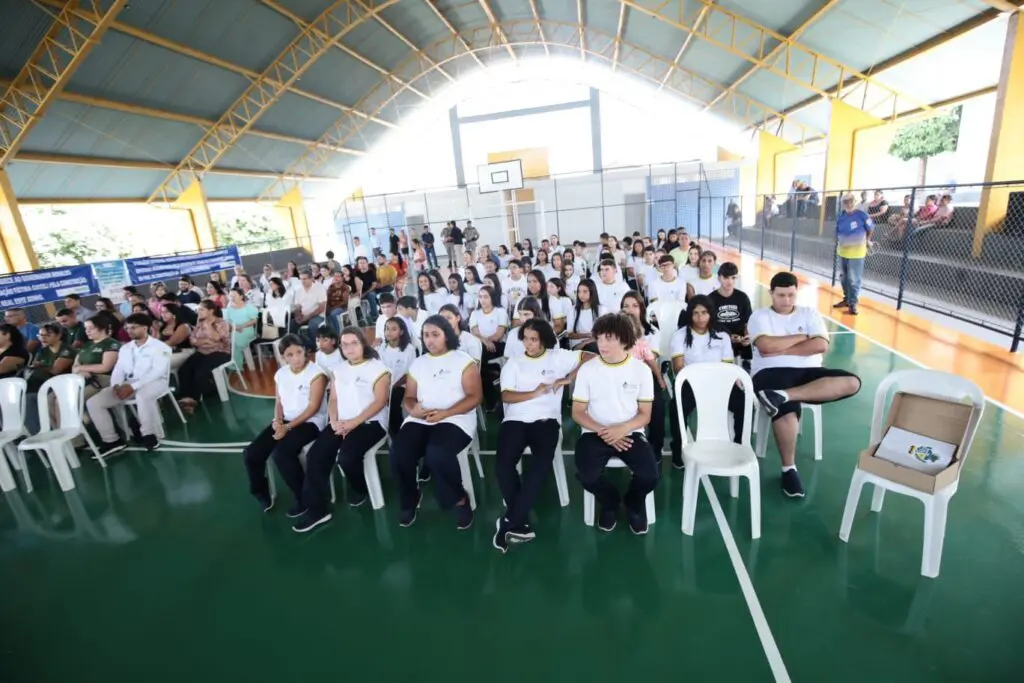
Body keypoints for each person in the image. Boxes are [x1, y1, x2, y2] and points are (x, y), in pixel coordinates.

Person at [750, 272, 862, 498]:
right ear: (771, 293)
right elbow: (765, 346)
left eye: (791, 295)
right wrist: (802, 338)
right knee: (787, 413)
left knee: (852, 382)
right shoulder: (759, 316)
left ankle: (784, 395)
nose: (787, 300)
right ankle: (789, 469)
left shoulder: (809, 313)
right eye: (781, 295)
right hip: (770, 372)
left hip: (810, 372)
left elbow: (820, 345)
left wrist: (781, 348)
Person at [493, 319, 586, 552]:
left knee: (540, 465)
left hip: (545, 421)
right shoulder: (514, 363)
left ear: (544, 339)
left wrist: (569, 378)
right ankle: (518, 521)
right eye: (525, 338)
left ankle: (510, 521)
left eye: (533, 339)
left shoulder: (558, 356)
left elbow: (590, 357)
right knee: (503, 466)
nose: (528, 343)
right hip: (515, 420)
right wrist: (533, 392)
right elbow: (506, 396)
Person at [290, 327, 390, 532]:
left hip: (370, 424)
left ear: (363, 344)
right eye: (345, 344)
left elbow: (380, 402)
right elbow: (333, 399)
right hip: (341, 422)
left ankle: (359, 487)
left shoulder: (379, 369)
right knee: (316, 456)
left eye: (354, 343)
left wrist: (354, 423)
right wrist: (334, 421)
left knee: (346, 457)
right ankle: (318, 510)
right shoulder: (339, 369)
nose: (349, 348)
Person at [389, 315, 482, 528]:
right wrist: (415, 410)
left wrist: (445, 413)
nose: (429, 340)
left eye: (435, 335)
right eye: (425, 335)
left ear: (446, 336)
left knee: (437, 453)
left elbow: (475, 397)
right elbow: (409, 398)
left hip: (456, 418)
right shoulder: (419, 363)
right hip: (421, 419)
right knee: (398, 453)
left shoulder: (463, 360)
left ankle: (460, 498)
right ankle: (410, 498)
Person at [572, 313, 658, 534]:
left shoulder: (642, 371)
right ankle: (610, 502)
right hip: (594, 432)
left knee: (650, 476)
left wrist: (623, 429)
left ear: (624, 339)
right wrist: (606, 431)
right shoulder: (588, 370)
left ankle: (633, 503)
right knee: (587, 475)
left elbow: (645, 415)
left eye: (608, 338)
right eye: (599, 338)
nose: (602, 344)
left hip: (630, 431)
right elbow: (578, 412)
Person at [242, 334, 327, 515]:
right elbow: (279, 402)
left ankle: (303, 497)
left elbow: (313, 407)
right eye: (289, 354)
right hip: (285, 421)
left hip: (310, 422)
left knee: (282, 453)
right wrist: (279, 421)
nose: (296, 358)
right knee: (252, 453)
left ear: (305, 351)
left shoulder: (316, 374)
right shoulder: (281, 374)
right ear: (283, 357)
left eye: (299, 352)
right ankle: (261, 492)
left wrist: (287, 428)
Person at [670, 295, 746, 467]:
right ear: (690, 315)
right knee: (676, 408)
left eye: (704, 313)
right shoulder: (680, 336)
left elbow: (728, 366)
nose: (700, 317)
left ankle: (739, 444)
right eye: (695, 313)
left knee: (743, 403)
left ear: (710, 314)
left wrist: (729, 382)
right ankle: (678, 448)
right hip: (691, 383)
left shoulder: (722, 336)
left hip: (719, 383)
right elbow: (678, 368)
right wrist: (698, 381)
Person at [87, 312, 172, 454]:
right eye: (127, 328)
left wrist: (133, 387)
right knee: (93, 403)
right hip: (128, 383)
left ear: (145, 327)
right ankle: (111, 440)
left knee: (143, 396)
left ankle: (149, 434)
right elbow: (119, 369)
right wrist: (116, 385)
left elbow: (157, 372)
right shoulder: (125, 348)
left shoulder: (161, 347)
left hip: (155, 382)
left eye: (133, 327)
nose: (129, 331)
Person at [176, 300, 232, 413]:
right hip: (202, 351)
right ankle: (185, 397)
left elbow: (217, 338)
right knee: (183, 370)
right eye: (198, 310)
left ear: (211, 311)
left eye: (201, 309)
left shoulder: (222, 323)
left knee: (200, 371)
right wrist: (204, 341)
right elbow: (192, 340)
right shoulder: (199, 323)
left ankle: (193, 399)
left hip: (220, 352)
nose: (198, 312)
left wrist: (208, 325)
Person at [833, 193, 874, 316]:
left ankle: (853, 304)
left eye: (850, 201)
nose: (848, 204)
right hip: (843, 251)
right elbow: (837, 232)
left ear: (854, 202)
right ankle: (846, 299)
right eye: (845, 202)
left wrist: (867, 240)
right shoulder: (841, 217)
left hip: (857, 253)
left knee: (853, 279)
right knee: (844, 278)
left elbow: (871, 228)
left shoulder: (862, 215)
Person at [469, 285, 508, 411]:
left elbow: (499, 334)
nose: (483, 300)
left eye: (486, 296)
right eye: (480, 297)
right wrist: (485, 342)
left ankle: (489, 399)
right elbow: (474, 334)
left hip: (498, 345)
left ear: (492, 298)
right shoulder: (475, 313)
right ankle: (491, 395)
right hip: (482, 345)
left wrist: (487, 341)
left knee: (479, 362)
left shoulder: (500, 311)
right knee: (480, 363)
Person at [708, 261, 753, 366]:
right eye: (726, 277)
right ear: (719, 278)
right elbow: (708, 325)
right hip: (718, 341)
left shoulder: (743, 298)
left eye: (733, 278)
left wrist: (746, 336)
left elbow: (748, 322)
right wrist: (727, 337)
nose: (730, 281)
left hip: (740, 343)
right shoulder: (710, 299)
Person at [71, 312, 121, 403]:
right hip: (81, 378)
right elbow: (75, 366)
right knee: (52, 399)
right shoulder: (86, 345)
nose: (87, 331)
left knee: (73, 399)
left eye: (91, 328)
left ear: (102, 329)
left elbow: (105, 367)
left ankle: (83, 417)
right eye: (86, 328)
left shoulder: (111, 344)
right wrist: (80, 371)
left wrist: (80, 368)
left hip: (104, 379)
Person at [379, 316, 416, 435]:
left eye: (393, 329)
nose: (388, 332)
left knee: (393, 405)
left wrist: (392, 387)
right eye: (387, 328)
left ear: (401, 332)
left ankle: (398, 434)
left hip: (401, 385)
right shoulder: (382, 348)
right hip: (384, 385)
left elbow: (408, 374)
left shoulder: (408, 349)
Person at [26, 323, 76, 393]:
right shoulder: (43, 351)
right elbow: (35, 365)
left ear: (58, 336)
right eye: (40, 335)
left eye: (47, 335)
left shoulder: (67, 350)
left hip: (65, 382)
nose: (43, 338)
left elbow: (55, 370)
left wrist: (39, 366)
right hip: (46, 382)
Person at [291, 268, 328, 349]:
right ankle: (301, 347)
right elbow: (297, 306)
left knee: (313, 326)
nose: (302, 281)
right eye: (301, 279)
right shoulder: (299, 290)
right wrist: (297, 316)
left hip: (317, 315)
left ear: (311, 278)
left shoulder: (319, 288)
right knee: (292, 326)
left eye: (305, 279)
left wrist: (307, 317)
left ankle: (314, 347)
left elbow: (321, 308)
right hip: (303, 316)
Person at [223, 288, 259, 367]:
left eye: (234, 295)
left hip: (246, 329)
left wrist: (241, 326)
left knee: (235, 339)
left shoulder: (248, 307)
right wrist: (234, 328)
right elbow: (227, 321)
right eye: (230, 295)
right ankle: (230, 362)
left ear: (241, 296)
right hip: (234, 330)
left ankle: (236, 365)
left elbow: (254, 321)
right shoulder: (229, 309)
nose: (232, 297)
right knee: (225, 339)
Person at [158, 304, 193, 371]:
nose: (163, 314)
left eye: (166, 312)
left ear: (174, 313)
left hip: (184, 351)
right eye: (162, 312)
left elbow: (171, 342)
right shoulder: (163, 326)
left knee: (159, 362)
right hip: (169, 351)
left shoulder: (183, 326)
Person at [567, 279, 600, 351]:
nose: (581, 295)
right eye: (579, 292)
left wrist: (586, 342)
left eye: (585, 291)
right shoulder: (572, 310)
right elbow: (570, 334)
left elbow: (602, 333)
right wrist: (587, 335)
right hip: (577, 345)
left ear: (592, 292)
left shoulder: (601, 309)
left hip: (596, 343)